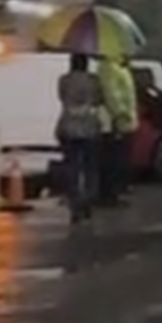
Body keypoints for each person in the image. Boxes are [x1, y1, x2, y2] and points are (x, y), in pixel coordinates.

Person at [55, 53, 104, 222]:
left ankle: (75, 202)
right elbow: (99, 100)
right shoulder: (93, 81)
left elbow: (61, 97)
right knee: (91, 167)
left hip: (68, 126)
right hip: (89, 127)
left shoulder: (64, 80)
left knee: (72, 167)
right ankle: (88, 199)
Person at [97, 56, 135, 206]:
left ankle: (113, 193)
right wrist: (120, 114)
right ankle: (109, 195)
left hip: (123, 122)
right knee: (113, 159)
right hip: (115, 122)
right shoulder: (109, 68)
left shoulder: (119, 68)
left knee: (119, 159)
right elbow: (112, 94)